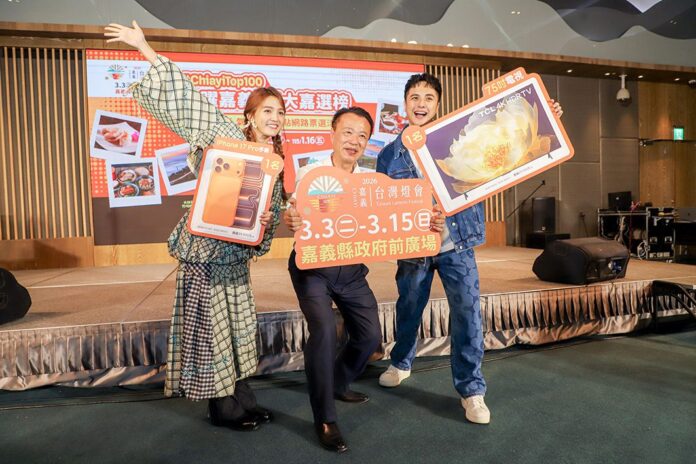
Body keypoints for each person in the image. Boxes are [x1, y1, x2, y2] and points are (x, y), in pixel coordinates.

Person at [104, 21, 285, 431]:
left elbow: (268, 219)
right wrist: (145, 48)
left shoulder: (273, 163)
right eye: (267, 110)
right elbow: (188, 100)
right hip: (204, 255)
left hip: (235, 260)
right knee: (211, 331)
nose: (275, 118)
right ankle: (222, 409)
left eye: (280, 113)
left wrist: (267, 222)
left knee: (237, 329)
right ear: (249, 116)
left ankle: (242, 398)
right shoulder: (225, 135)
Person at [376, 73, 563, 425]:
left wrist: (546, 114)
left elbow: (512, 146)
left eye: (428, 98)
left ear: (437, 104)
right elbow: (384, 206)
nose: (420, 104)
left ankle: (472, 389)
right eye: (414, 97)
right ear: (405, 103)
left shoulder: (461, 137)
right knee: (409, 307)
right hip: (414, 249)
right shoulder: (389, 155)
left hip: (456, 243)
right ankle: (401, 362)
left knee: (467, 313)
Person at [283, 107, 402, 453]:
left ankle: (336, 381)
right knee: (323, 332)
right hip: (313, 268)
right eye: (348, 132)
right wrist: (293, 218)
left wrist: (427, 220)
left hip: (350, 268)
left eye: (362, 135)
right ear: (333, 133)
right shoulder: (311, 172)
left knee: (369, 337)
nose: (354, 141)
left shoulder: (369, 181)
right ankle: (325, 418)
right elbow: (295, 210)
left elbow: (391, 217)